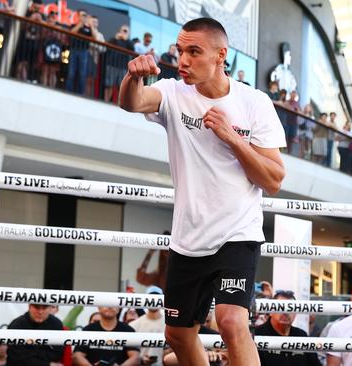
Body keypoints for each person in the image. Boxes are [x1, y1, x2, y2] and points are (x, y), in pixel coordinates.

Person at [119, 17, 286, 366]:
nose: (183, 60)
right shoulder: (172, 92)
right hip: (188, 237)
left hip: (237, 233)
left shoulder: (255, 103)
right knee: (178, 335)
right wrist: (133, 76)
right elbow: (132, 103)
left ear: (220, 55)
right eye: (180, 51)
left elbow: (272, 179)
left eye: (194, 51)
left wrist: (233, 138)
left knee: (231, 321)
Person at [255, 290, 321, 366]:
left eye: (290, 308)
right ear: (270, 312)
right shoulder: (257, 335)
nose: (285, 312)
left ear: (295, 313)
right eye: (281, 307)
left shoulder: (301, 335)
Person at [73, 306, 140, 365]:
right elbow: (77, 356)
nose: (110, 307)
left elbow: (135, 357)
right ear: (99, 307)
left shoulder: (128, 330)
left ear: (119, 308)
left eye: (113, 304)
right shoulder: (88, 329)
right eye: (106, 303)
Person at [129, 286, 167, 366]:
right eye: (151, 297)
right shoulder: (134, 325)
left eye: (157, 297)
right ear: (145, 299)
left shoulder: (169, 324)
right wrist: (141, 359)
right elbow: (130, 351)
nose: (153, 300)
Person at [104, 24, 134, 103]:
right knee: (108, 85)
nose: (124, 32)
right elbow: (107, 47)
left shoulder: (129, 42)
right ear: (119, 31)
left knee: (120, 87)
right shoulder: (114, 39)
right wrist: (115, 38)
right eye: (123, 30)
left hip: (123, 67)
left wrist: (126, 39)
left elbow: (132, 50)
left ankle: (118, 104)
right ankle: (105, 101)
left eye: (126, 31)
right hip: (111, 65)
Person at [66, 9, 93, 94]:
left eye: (85, 15)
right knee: (71, 72)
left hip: (84, 52)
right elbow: (71, 33)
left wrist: (91, 25)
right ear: (78, 16)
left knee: (82, 74)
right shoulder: (73, 25)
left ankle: (81, 93)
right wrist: (80, 24)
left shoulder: (88, 29)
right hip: (74, 50)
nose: (84, 17)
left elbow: (94, 38)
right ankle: (68, 91)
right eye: (83, 15)